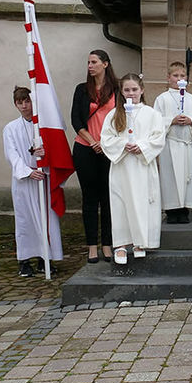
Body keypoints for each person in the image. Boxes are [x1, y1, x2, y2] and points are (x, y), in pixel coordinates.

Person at [101, 74, 165, 263]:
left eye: (134, 89)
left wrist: (142, 147)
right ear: (121, 92)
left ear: (142, 90)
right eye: (127, 90)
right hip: (122, 166)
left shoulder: (152, 114)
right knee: (121, 204)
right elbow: (106, 139)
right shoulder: (113, 115)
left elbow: (158, 137)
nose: (131, 93)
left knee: (142, 203)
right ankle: (121, 245)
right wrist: (122, 145)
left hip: (142, 165)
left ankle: (140, 242)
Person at [2, 86, 63, 277]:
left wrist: (44, 158)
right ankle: (24, 260)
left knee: (46, 219)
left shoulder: (43, 126)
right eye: (20, 103)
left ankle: (45, 258)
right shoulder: (10, 128)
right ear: (15, 104)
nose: (24, 106)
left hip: (43, 179)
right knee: (25, 221)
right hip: (24, 181)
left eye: (27, 101)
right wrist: (27, 172)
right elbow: (11, 154)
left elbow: (55, 149)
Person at [71, 49, 118, 263]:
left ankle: (107, 244)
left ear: (105, 64)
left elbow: (122, 120)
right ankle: (92, 246)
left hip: (109, 150)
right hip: (85, 148)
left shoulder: (116, 89)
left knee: (108, 198)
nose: (90, 66)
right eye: (88, 62)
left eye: (94, 62)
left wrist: (106, 144)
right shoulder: (82, 90)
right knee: (90, 198)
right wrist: (92, 142)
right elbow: (76, 120)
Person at [152, 61, 192, 224]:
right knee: (170, 178)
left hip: (188, 144)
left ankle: (185, 210)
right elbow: (155, 120)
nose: (179, 79)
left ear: (187, 79)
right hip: (170, 144)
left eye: (182, 76)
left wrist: (191, 120)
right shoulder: (162, 99)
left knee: (188, 177)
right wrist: (171, 120)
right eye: (175, 76)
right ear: (168, 78)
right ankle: (171, 211)